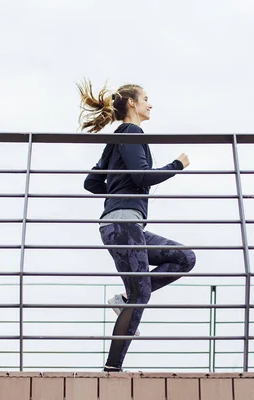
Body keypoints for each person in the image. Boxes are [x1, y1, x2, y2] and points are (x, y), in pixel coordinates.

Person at [79, 80, 196, 372]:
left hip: (127, 225)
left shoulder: (116, 140)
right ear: (132, 103)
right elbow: (142, 177)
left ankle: (126, 299)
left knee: (184, 258)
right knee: (142, 293)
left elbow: (92, 182)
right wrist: (176, 166)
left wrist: (117, 186)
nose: (149, 103)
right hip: (123, 225)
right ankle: (113, 369)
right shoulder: (132, 132)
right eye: (145, 98)